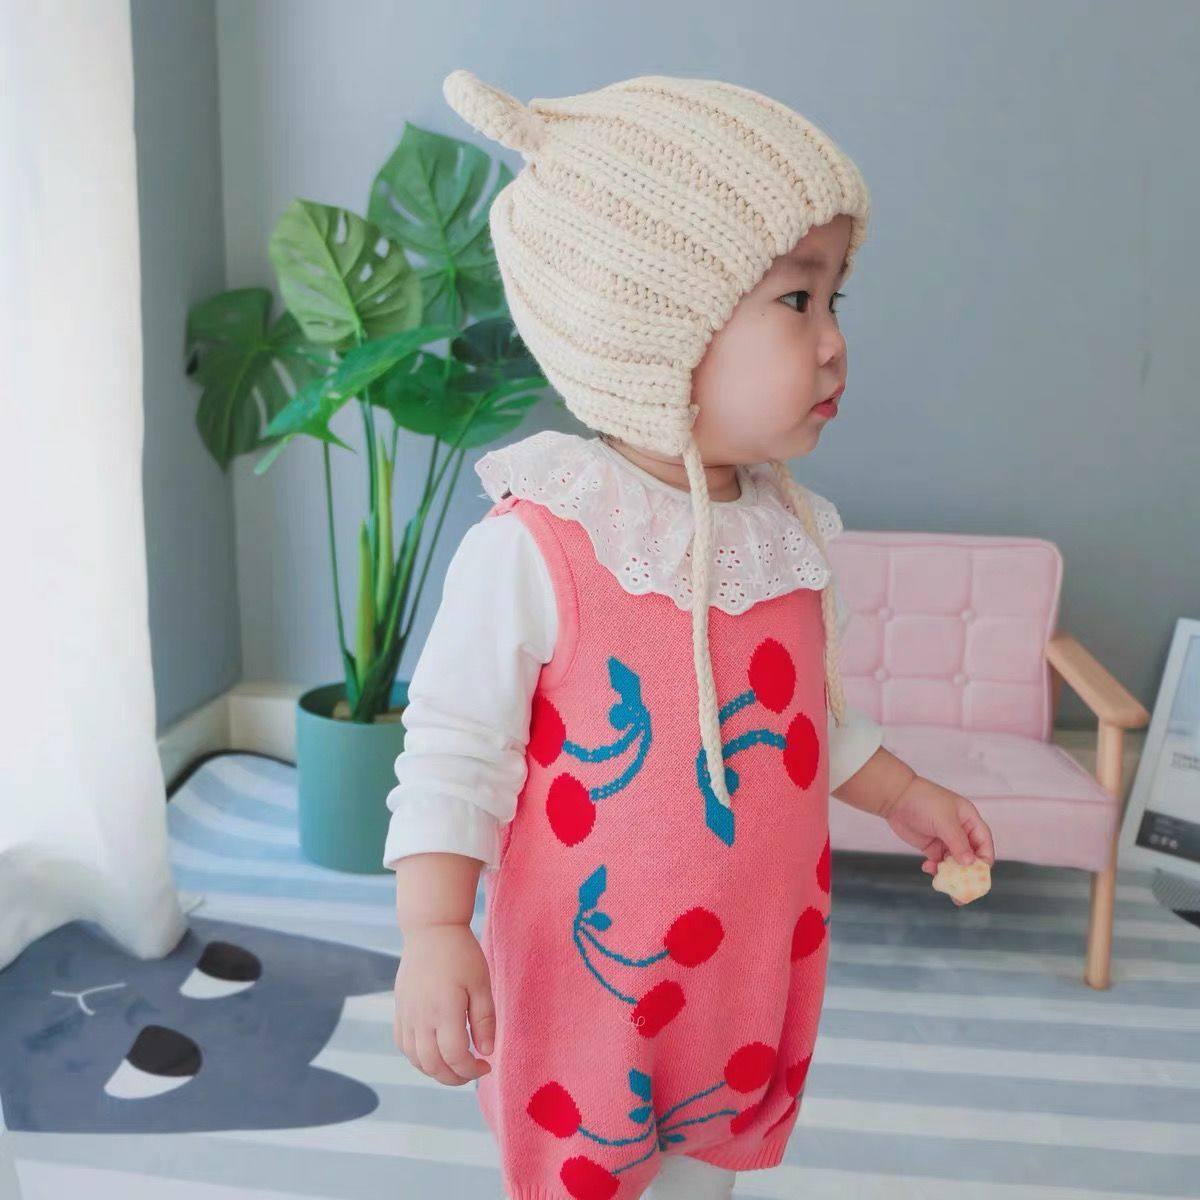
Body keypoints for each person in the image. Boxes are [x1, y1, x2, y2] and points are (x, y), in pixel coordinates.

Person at [385, 69, 996, 1200]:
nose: (833, 344)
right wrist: (433, 927)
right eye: (797, 300)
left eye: (837, 301)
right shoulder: (543, 542)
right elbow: (456, 749)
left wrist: (902, 792)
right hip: (591, 989)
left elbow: (806, 722)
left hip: (745, 981)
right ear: (654, 326)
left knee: (703, 1174)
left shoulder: (786, 537)